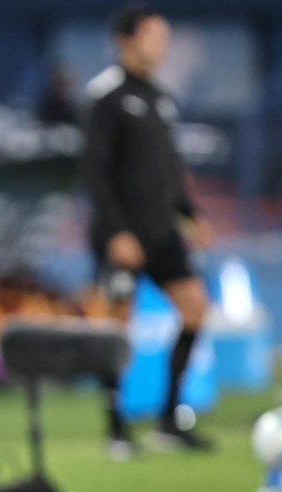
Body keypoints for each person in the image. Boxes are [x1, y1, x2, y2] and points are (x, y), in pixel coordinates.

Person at [83, 2, 214, 459]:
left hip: (162, 231)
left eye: (164, 38)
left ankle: (168, 419)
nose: (160, 46)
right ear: (125, 41)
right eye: (152, 37)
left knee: (196, 310)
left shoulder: (161, 97)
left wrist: (190, 214)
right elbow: (95, 172)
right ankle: (116, 428)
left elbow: (170, 168)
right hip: (122, 234)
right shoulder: (106, 96)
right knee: (117, 327)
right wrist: (117, 232)